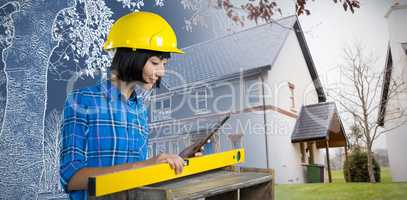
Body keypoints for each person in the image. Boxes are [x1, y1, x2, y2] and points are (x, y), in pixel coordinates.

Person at [60, 11, 186, 199]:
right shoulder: (83, 101)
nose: (161, 72)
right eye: (155, 62)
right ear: (130, 57)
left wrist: (175, 161)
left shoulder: (139, 109)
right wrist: (144, 165)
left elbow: (139, 179)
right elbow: (71, 179)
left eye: (164, 64)